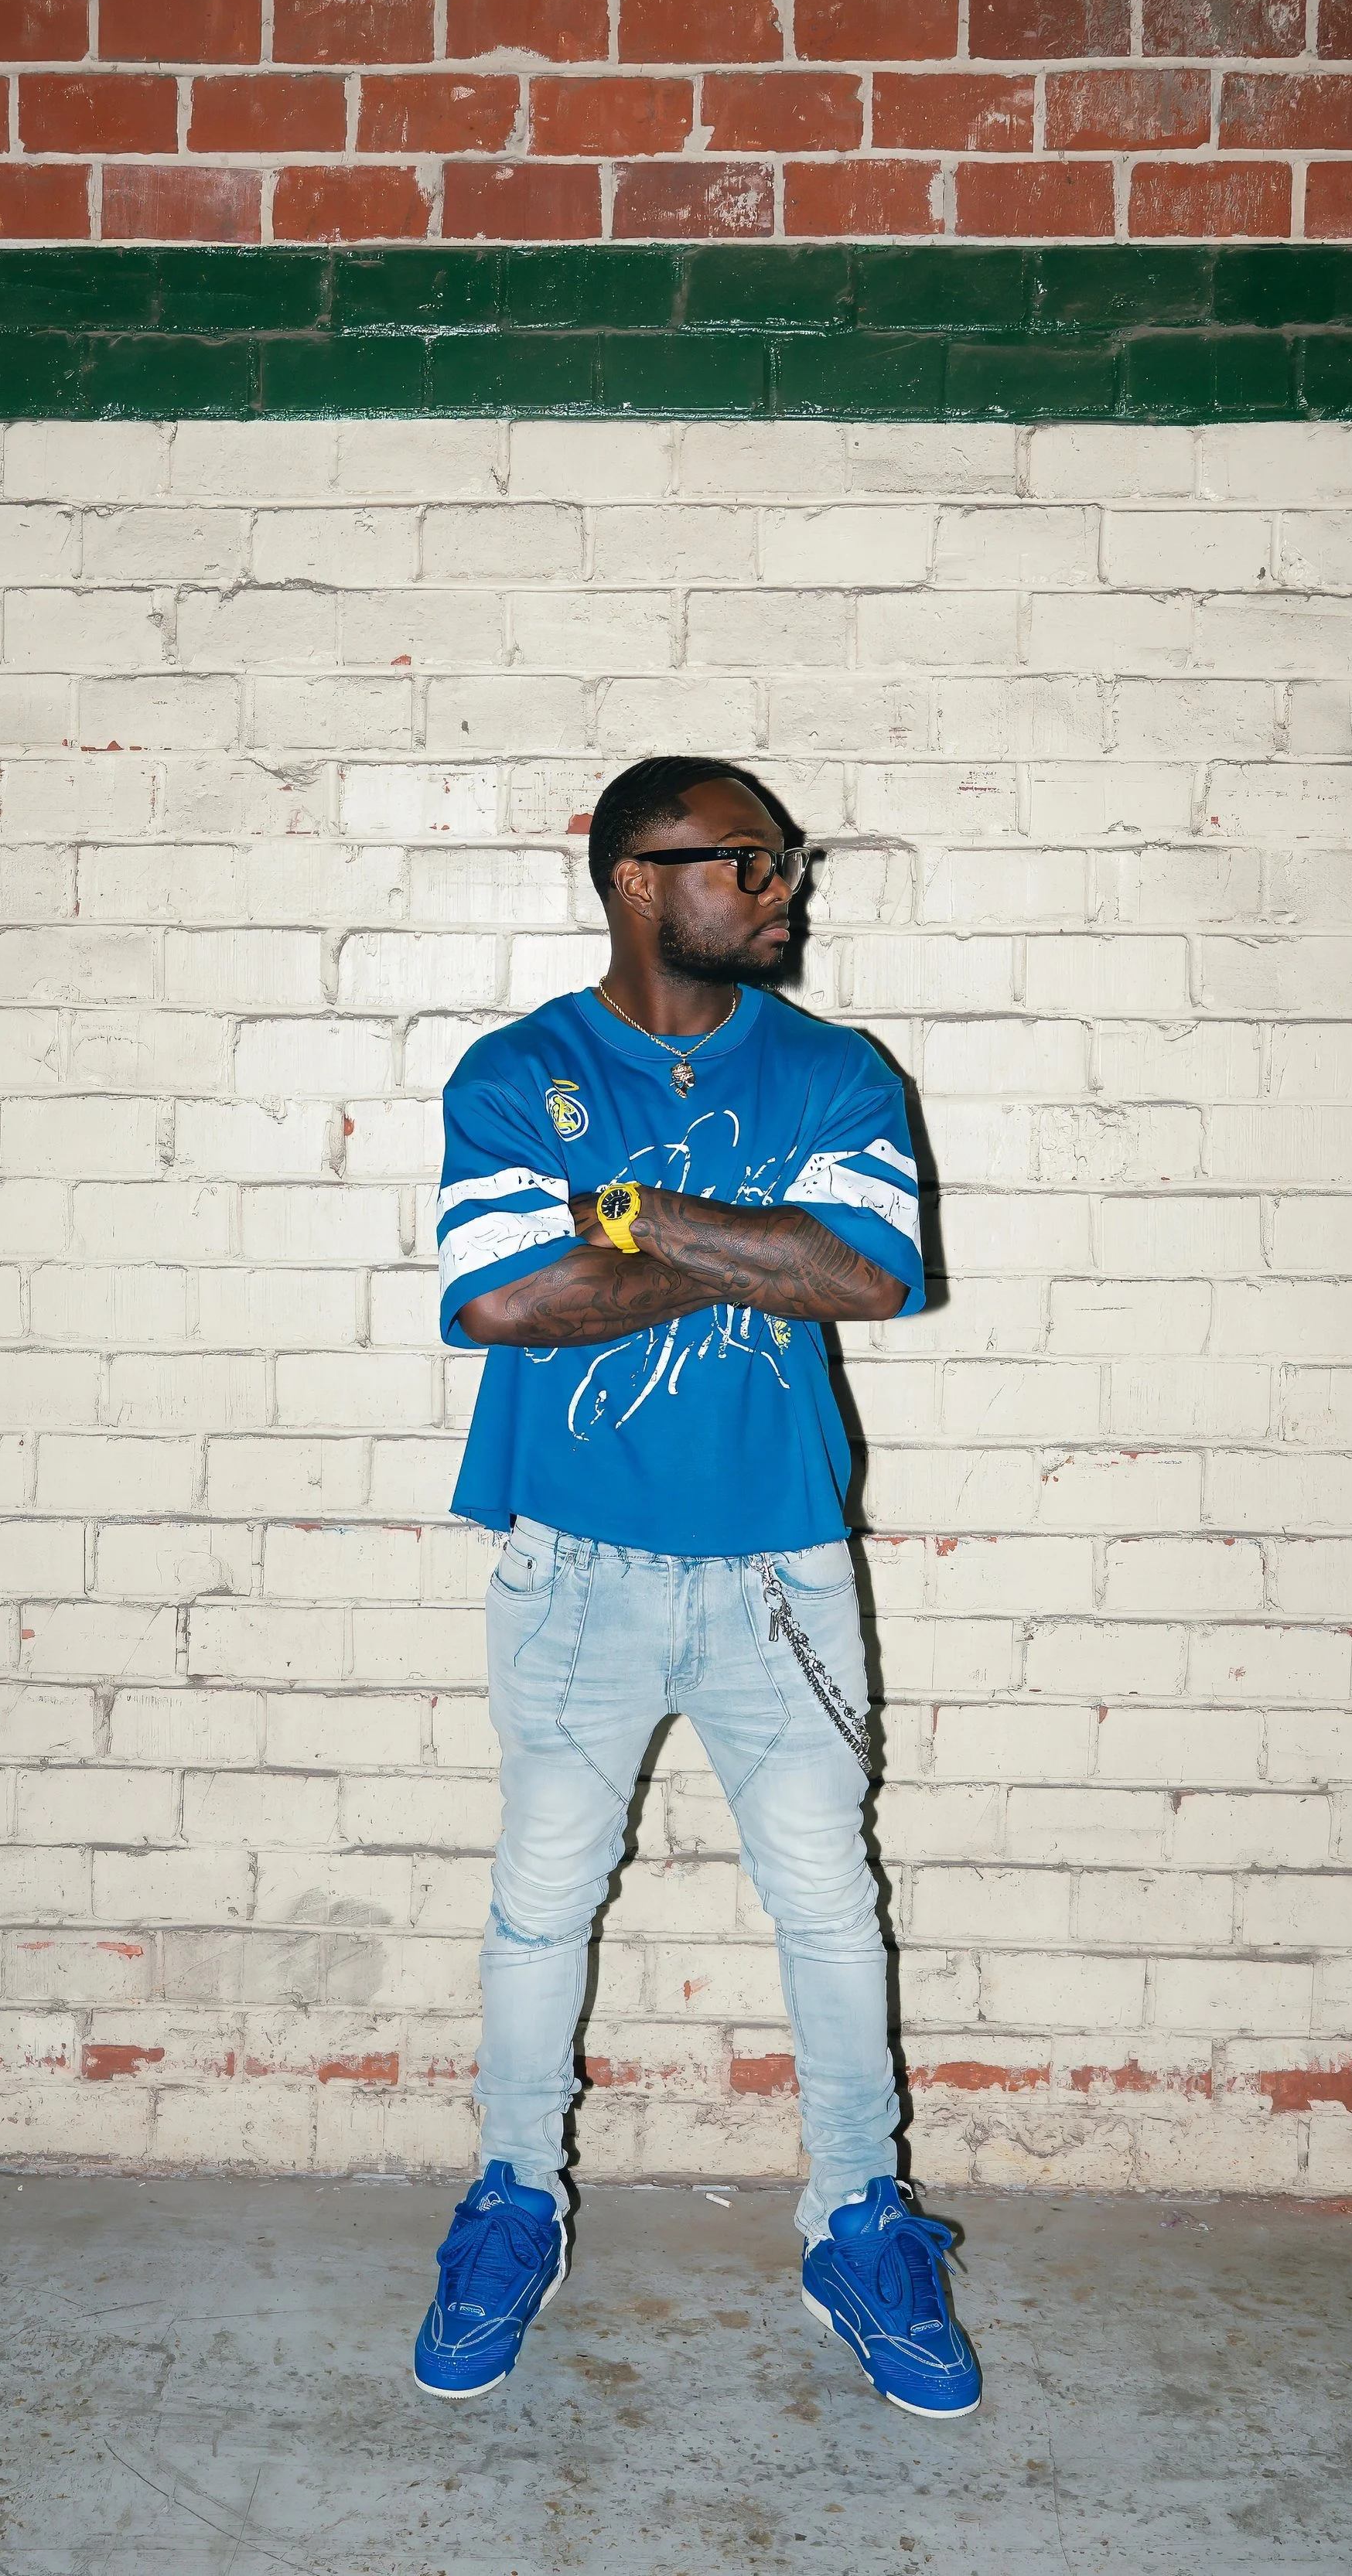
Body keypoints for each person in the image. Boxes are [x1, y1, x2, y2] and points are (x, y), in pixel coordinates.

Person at [412, 756, 982, 2421]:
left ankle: (855, 2219)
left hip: (779, 1562)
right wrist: (751, 1241)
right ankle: (513, 2199)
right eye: (749, 859)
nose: (783, 885)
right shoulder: (516, 1070)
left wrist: (628, 1212)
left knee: (826, 1900)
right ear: (638, 877)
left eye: (784, 859)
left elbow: (865, 1273)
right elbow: (502, 1303)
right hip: (571, 1559)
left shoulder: (836, 1068)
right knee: (541, 1897)